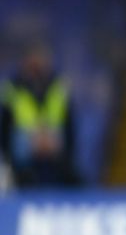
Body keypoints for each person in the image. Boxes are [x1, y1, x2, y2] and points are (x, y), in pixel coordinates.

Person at [0, 44, 81, 188]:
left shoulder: (58, 85)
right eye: (33, 61)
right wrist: (8, 157)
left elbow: (69, 124)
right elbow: (6, 125)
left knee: (59, 144)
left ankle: (68, 183)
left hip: (53, 138)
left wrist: (59, 146)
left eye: (41, 61)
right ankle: (21, 178)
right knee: (21, 142)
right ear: (25, 62)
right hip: (25, 139)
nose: (37, 66)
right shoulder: (12, 87)